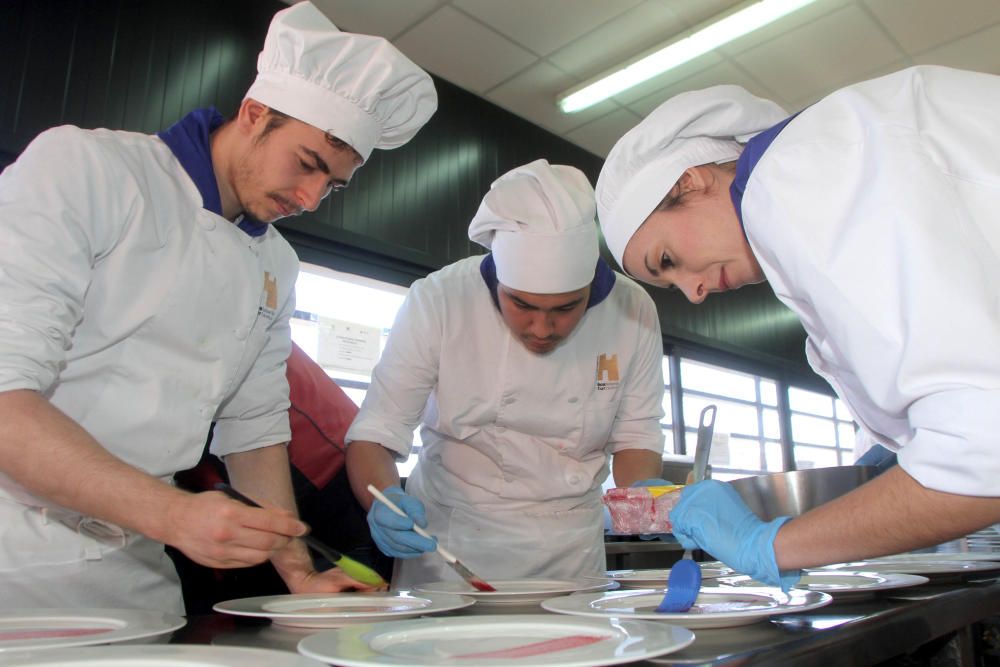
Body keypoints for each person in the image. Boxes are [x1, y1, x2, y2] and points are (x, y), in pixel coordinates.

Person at [0, 1, 435, 613]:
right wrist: (174, 513)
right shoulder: (89, 168)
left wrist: (299, 572)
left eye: (333, 185)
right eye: (308, 164)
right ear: (255, 114)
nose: (311, 198)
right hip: (15, 562)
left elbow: (254, 432)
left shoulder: (275, 264)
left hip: (138, 574)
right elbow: (6, 395)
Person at [595, 65, 1000, 590]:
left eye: (667, 259)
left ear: (688, 181)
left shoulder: (798, 180)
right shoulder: (824, 162)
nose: (692, 291)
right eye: (671, 285)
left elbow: (982, 453)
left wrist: (772, 545)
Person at [344, 159, 667, 588]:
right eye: (522, 305)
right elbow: (376, 431)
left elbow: (636, 437)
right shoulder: (440, 300)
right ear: (497, 280)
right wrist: (383, 499)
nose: (541, 329)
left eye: (566, 308)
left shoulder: (633, 310)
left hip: (569, 550)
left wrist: (650, 499)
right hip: (450, 542)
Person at [170, 342, 392, 614]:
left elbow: (253, 439)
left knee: (336, 607)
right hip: (262, 482)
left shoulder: (244, 342)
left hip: (327, 477)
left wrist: (302, 576)